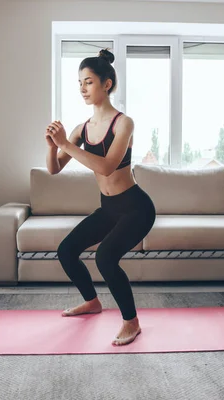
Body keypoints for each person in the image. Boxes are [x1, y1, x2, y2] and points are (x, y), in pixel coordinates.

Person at [45, 48, 156, 346]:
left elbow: (107, 166)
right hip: (109, 209)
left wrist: (66, 143)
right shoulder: (82, 129)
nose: (82, 88)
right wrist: (53, 146)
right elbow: (54, 170)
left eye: (89, 81)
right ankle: (92, 302)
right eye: (80, 82)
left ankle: (131, 322)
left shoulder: (124, 123)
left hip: (136, 208)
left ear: (107, 84)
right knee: (67, 250)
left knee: (106, 257)